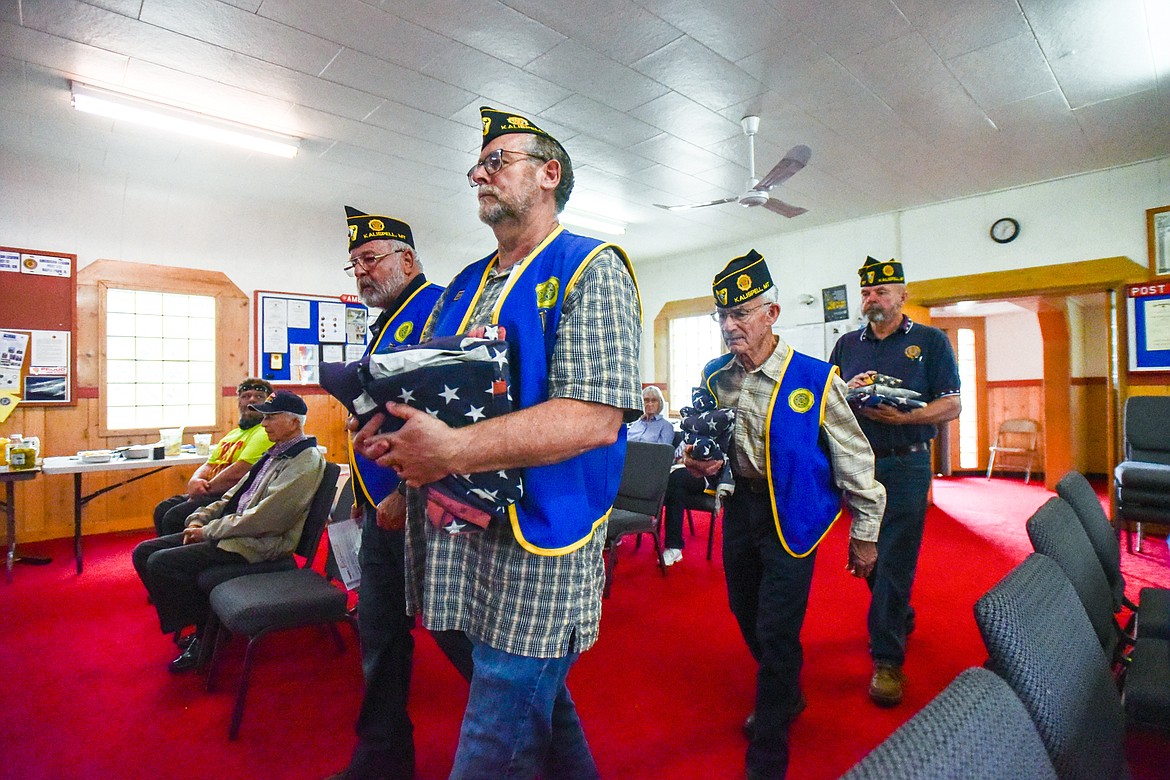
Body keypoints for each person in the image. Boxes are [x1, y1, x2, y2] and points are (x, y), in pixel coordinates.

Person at [353, 106, 642, 778]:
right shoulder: (463, 283)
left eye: (497, 160)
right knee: (534, 705)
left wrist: (449, 452)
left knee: (492, 740)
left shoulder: (591, 265)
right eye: (477, 164)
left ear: (549, 173)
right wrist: (395, 436)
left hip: (543, 538)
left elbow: (595, 418)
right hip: (461, 530)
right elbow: (444, 394)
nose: (477, 172)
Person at [683, 249, 885, 780]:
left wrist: (865, 534)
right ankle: (788, 690)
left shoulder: (816, 379)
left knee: (776, 628)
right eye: (722, 316)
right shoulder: (715, 378)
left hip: (795, 512)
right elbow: (714, 447)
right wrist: (703, 464)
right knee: (742, 609)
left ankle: (770, 743)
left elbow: (854, 456)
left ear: (771, 314)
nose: (730, 326)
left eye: (741, 314)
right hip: (741, 508)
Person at [331, 206, 473, 780]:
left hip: (426, 512)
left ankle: (536, 739)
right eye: (354, 264)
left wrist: (404, 495)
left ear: (407, 259)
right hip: (380, 514)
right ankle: (381, 761)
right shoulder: (386, 324)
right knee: (380, 640)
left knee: (463, 639)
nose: (362, 271)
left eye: (370, 258)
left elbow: (457, 420)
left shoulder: (439, 306)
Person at [828, 256, 961, 708]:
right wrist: (849, 388)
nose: (873, 299)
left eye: (882, 292)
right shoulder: (847, 344)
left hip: (907, 464)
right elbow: (830, 402)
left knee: (895, 556)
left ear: (903, 294)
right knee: (870, 554)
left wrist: (909, 417)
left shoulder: (930, 341)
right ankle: (898, 614)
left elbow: (952, 405)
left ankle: (887, 660)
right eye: (867, 292)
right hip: (859, 466)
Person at [131, 390, 325, 672]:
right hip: (237, 533)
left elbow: (267, 520)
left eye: (271, 417)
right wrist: (199, 518)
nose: (264, 423)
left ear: (294, 423)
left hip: (259, 543)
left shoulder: (304, 461)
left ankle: (206, 637)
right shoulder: (275, 453)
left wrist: (209, 531)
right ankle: (208, 624)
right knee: (145, 552)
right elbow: (232, 497)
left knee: (163, 563)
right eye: (264, 417)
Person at [151, 377, 273, 536]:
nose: (251, 400)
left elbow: (238, 473)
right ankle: (163, 553)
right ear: (239, 403)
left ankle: (179, 556)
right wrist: (195, 480)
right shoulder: (233, 434)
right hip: (209, 490)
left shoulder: (264, 432)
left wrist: (203, 492)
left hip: (233, 497)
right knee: (162, 509)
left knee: (174, 517)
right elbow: (209, 464)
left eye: (259, 396)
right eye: (246, 396)